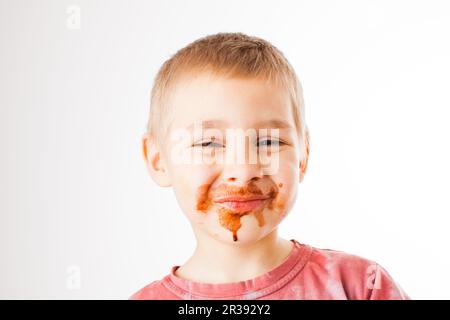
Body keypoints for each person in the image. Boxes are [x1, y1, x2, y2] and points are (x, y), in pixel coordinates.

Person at [131, 32, 409, 300]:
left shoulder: (361, 287)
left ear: (303, 155)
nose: (243, 170)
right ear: (159, 160)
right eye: (208, 144)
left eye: (267, 142)